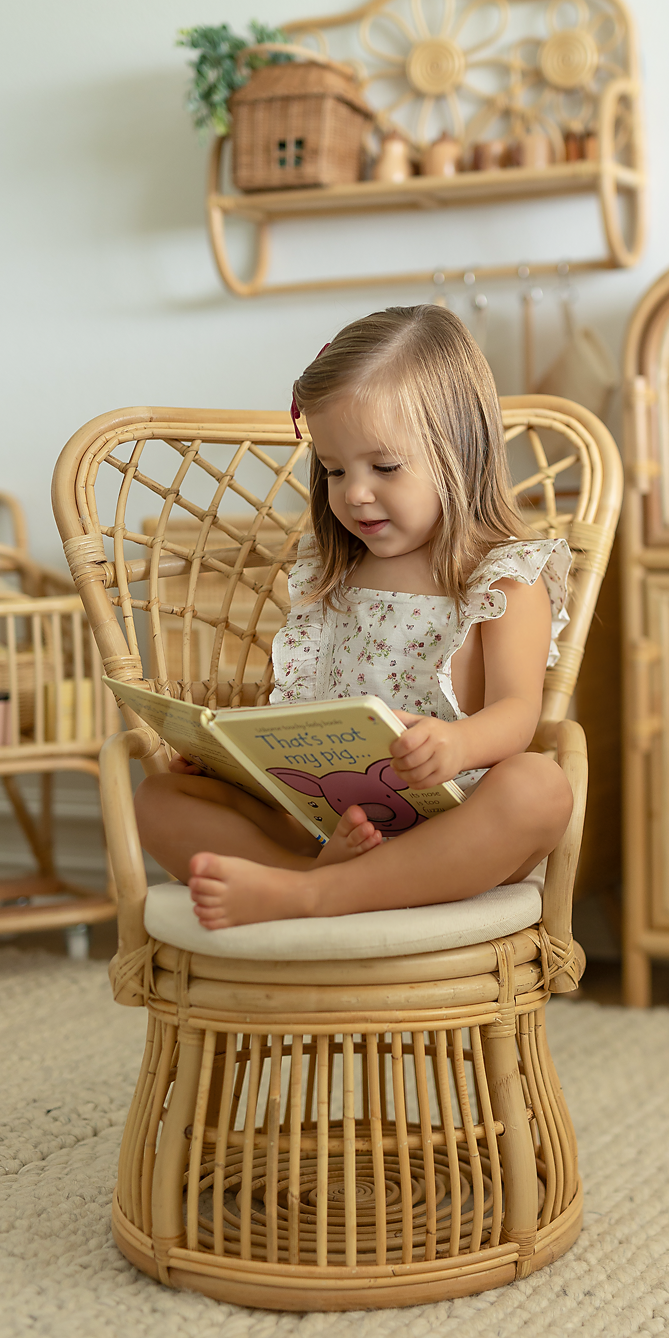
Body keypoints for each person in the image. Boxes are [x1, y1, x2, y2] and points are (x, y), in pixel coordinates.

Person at [134, 304, 574, 930]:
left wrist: (455, 743)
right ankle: (310, 877)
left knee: (539, 788)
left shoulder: (504, 576)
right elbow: (307, 708)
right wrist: (232, 758)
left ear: (459, 450)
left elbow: (517, 712)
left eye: (384, 468)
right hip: (332, 817)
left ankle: (310, 895)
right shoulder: (332, 571)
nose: (354, 493)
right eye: (335, 470)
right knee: (159, 797)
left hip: (454, 826)